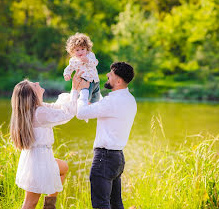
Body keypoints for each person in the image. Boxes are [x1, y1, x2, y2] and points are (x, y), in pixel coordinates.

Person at [10, 77, 82, 209]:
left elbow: (58, 107)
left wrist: (74, 91)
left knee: (63, 167)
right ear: (31, 95)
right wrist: (75, 91)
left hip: (39, 158)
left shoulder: (38, 109)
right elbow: (65, 115)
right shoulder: (39, 113)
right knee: (30, 202)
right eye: (34, 85)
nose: (37, 83)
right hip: (38, 161)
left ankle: (49, 206)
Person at [74, 62, 137, 209]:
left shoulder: (112, 102)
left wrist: (83, 91)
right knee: (116, 204)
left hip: (104, 158)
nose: (108, 75)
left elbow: (81, 113)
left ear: (119, 81)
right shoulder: (129, 99)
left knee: (101, 204)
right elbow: (103, 107)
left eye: (111, 74)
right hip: (117, 158)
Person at [63, 33, 101, 103]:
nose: (80, 52)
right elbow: (69, 68)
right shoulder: (73, 60)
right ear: (72, 51)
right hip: (85, 82)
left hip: (95, 80)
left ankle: (93, 109)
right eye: (77, 50)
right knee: (86, 98)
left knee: (96, 98)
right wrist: (67, 74)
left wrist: (88, 60)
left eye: (83, 49)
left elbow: (95, 63)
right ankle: (83, 109)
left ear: (87, 49)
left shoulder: (90, 55)